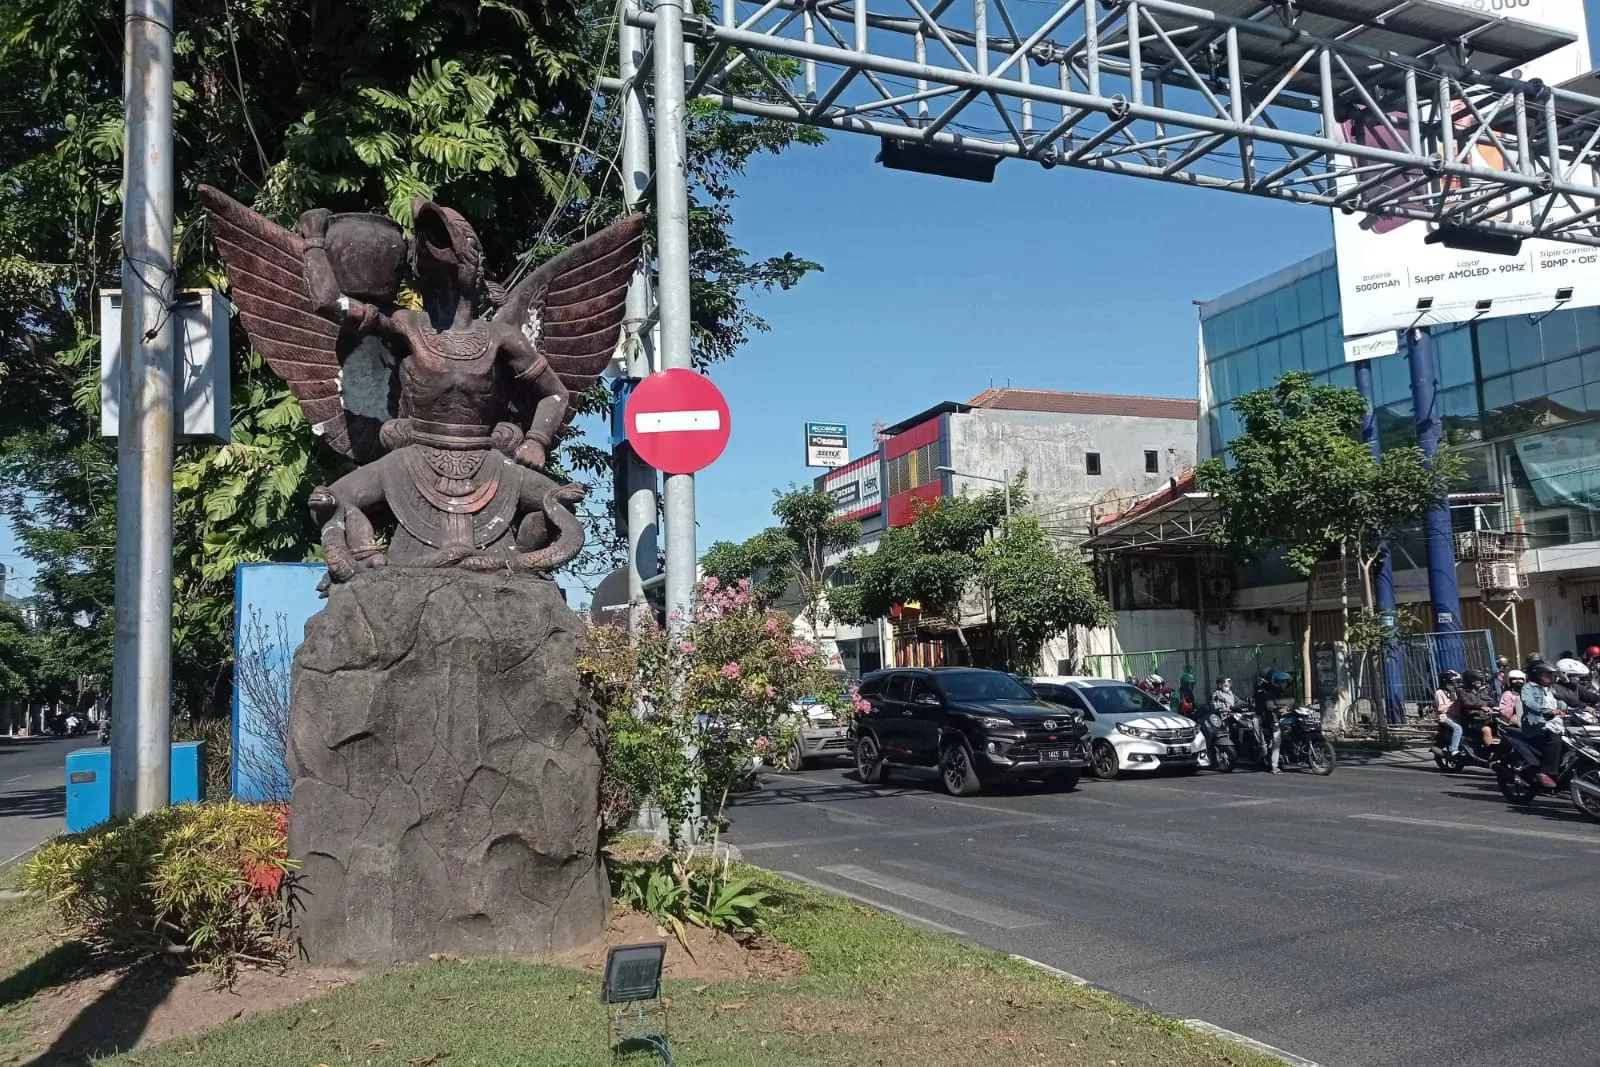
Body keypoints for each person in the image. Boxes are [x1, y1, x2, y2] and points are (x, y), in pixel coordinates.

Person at [1519, 660, 1565, 789]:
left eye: (1551, 675)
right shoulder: (1528, 687)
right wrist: (1548, 711)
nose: (1551, 677)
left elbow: (1562, 702)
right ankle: (1545, 772)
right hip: (1537, 725)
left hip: (1555, 723)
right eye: (1547, 674)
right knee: (1555, 740)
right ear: (1538, 675)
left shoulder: (1550, 689)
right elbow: (1529, 703)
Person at [1431, 669, 1463, 758]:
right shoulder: (1439, 693)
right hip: (1444, 717)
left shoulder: (1453, 692)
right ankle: (1454, 750)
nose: (1455, 685)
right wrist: (1452, 704)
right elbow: (1440, 708)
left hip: (1455, 716)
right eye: (1453, 683)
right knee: (1458, 728)